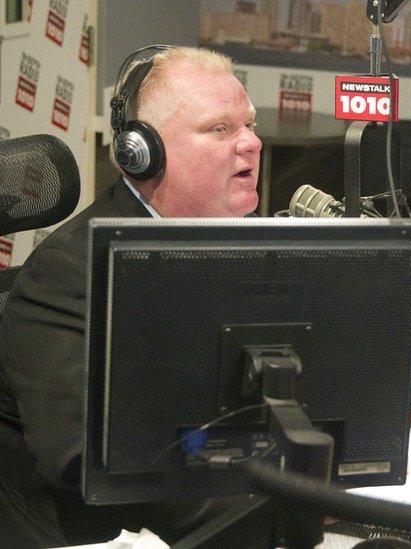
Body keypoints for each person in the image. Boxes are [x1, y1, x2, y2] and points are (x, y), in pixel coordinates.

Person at [0, 46, 261, 544]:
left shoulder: (234, 242)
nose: (249, 144)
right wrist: (270, 506)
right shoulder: (69, 276)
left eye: (249, 124)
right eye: (219, 129)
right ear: (141, 152)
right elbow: (90, 460)